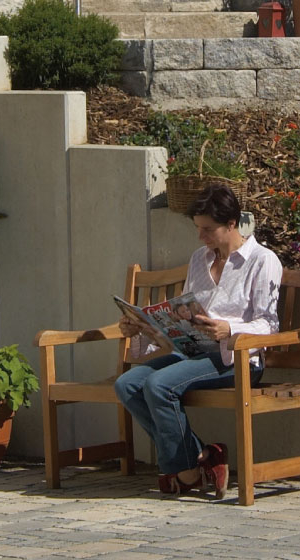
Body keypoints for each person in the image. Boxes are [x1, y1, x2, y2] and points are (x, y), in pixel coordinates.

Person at [114, 183, 282, 498]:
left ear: (231, 223)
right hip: (194, 353)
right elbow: (185, 316)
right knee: (128, 384)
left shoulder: (263, 260)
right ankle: (201, 457)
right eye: (197, 228)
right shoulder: (199, 260)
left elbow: (269, 325)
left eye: (207, 229)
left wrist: (229, 329)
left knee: (159, 385)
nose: (201, 237)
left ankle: (183, 469)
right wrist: (145, 328)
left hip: (237, 359)